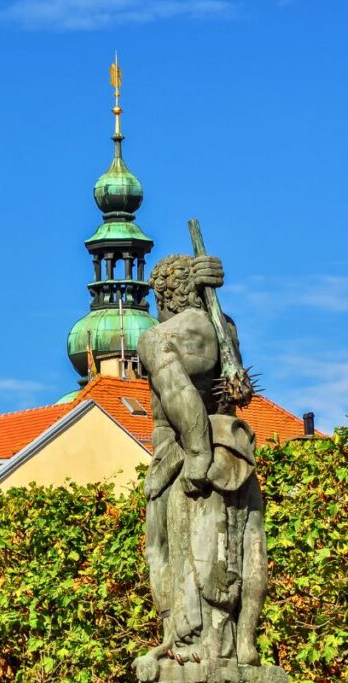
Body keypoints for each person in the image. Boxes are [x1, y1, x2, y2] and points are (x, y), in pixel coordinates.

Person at [133, 254, 266, 681]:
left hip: (184, 458)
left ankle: (184, 636)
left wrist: (196, 456)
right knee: (247, 548)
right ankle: (243, 640)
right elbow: (237, 387)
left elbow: (179, 396)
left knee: (172, 552)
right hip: (237, 449)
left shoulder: (159, 337)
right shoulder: (225, 330)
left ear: (164, 293)